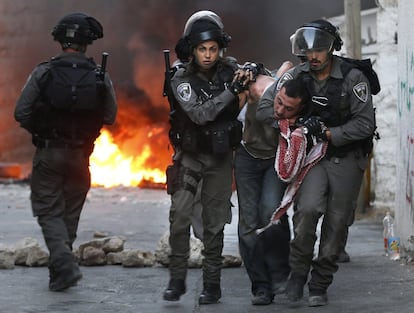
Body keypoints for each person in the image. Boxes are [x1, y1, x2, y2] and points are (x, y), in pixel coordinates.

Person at [260, 19, 376, 307]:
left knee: (337, 223)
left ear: (332, 49)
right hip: (313, 158)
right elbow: (266, 109)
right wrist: (295, 125)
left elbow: (365, 124)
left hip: (346, 157)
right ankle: (298, 275)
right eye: (308, 51)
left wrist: (327, 133)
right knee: (307, 211)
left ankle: (320, 281)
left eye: (320, 50)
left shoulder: (352, 79)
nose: (313, 56)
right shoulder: (297, 76)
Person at [14, 13, 117, 291]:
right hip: (81, 156)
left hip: (49, 153)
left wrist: (42, 129)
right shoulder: (99, 76)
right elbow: (110, 116)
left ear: (60, 41)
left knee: (48, 212)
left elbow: (21, 112)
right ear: (87, 43)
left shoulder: (44, 72)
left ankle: (64, 265)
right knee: (69, 214)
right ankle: (60, 272)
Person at [163, 10, 248, 304]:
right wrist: (231, 92)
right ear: (192, 50)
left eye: (213, 49)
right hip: (190, 157)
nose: (208, 55)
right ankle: (177, 279)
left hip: (220, 160)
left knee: (214, 224)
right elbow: (200, 114)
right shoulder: (181, 77)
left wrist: (250, 77)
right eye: (202, 49)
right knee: (179, 218)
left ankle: (212, 284)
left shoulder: (231, 71)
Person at [233, 62, 296, 305]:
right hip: (247, 157)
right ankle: (260, 285)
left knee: (271, 211)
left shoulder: (283, 85)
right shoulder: (246, 86)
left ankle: (280, 272)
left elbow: (288, 66)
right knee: (248, 222)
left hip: (274, 158)